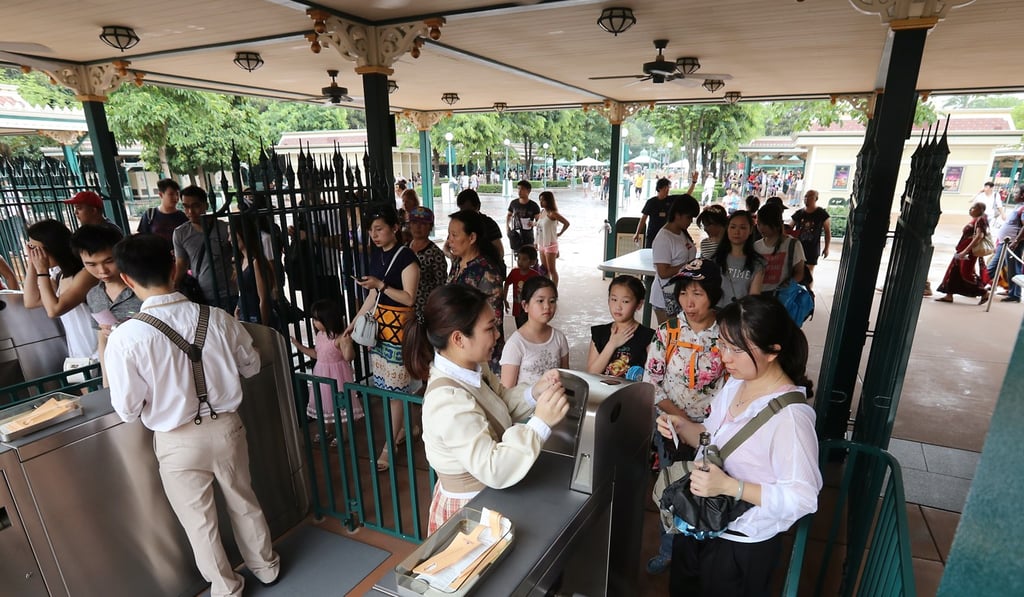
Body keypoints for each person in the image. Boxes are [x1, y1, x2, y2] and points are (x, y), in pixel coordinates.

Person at [105, 234, 280, 597]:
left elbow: (127, 410)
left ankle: (226, 588)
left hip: (176, 440)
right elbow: (250, 365)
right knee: (243, 500)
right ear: (174, 266)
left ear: (126, 279)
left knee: (199, 523)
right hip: (227, 427)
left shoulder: (127, 336)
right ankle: (266, 567)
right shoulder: (215, 317)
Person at [657, 295, 822, 596]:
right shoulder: (735, 383)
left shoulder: (790, 418)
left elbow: (803, 498)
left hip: (740, 545)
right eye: (722, 344)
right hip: (698, 525)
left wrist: (732, 487)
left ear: (773, 351)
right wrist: (682, 426)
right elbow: (711, 438)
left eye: (736, 349)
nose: (725, 357)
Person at [402, 284, 569, 535]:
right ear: (459, 338)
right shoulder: (447, 401)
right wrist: (540, 424)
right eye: (490, 328)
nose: (498, 335)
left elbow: (498, 404)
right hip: (470, 509)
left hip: (490, 497)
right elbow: (493, 467)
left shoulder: (473, 367)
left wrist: (535, 391)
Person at [643, 258, 728, 575]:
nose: (688, 303)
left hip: (714, 434)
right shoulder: (667, 333)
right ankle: (669, 550)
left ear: (713, 295)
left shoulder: (727, 336)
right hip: (672, 431)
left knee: (708, 491)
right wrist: (682, 421)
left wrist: (705, 427)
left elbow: (733, 386)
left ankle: (704, 552)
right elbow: (652, 384)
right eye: (683, 294)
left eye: (698, 294)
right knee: (670, 491)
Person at [344, 210, 420, 471]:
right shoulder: (377, 255)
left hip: (398, 331)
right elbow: (372, 297)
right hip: (380, 331)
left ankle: (390, 444)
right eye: (371, 230)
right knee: (389, 389)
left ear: (395, 228)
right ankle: (406, 428)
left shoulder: (407, 258)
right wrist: (353, 324)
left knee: (394, 392)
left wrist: (382, 285)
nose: (374, 235)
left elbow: (410, 298)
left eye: (379, 229)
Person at [70, 224, 141, 385]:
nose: (102, 270)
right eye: (91, 264)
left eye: (109, 261)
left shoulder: (143, 288)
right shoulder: (94, 295)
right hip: (121, 375)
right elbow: (102, 339)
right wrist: (106, 382)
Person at [23, 219, 98, 360]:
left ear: (53, 247)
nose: (34, 253)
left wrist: (42, 270)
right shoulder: (59, 276)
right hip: (80, 356)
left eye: (36, 249)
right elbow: (31, 301)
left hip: (98, 353)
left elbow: (54, 310)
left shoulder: (86, 274)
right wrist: (32, 263)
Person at [291, 299, 358, 447]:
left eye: (316, 319)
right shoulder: (321, 335)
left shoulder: (340, 337)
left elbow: (349, 357)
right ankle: (327, 429)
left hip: (337, 374)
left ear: (327, 320)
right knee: (324, 402)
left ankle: (344, 433)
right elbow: (317, 354)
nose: (314, 322)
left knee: (340, 404)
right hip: (321, 372)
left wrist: (348, 345)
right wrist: (299, 346)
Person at [448, 210, 506, 373]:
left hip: (480, 355)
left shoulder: (487, 272)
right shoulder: (457, 264)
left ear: (472, 238)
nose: (449, 240)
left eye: (454, 235)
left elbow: (494, 321)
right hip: (457, 348)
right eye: (449, 235)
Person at [173, 185, 237, 312]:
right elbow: (181, 265)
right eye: (186, 206)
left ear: (205, 205)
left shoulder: (225, 229)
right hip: (199, 296)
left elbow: (241, 254)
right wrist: (174, 288)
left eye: (195, 206)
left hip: (228, 294)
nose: (190, 211)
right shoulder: (180, 233)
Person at [499, 277, 569, 388]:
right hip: (526, 405)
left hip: (554, 402)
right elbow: (507, 391)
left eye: (552, 301)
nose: (547, 306)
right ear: (525, 306)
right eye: (540, 301)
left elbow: (565, 379)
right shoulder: (516, 344)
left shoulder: (559, 338)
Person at [587, 275, 655, 377]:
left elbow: (652, 377)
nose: (618, 307)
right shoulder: (600, 333)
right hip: (603, 392)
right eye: (614, 299)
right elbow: (591, 373)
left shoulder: (648, 337)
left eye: (625, 301)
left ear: (639, 304)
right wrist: (612, 344)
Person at [651, 195, 701, 324]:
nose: (690, 221)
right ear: (677, 215)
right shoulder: (664, 238)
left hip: (681, 292)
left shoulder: (682, 232)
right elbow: (663, 272)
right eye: (689, 217)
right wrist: (688, 266)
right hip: (665, 296)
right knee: (670, 337)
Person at [935, 202, 991, 304]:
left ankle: (983, 292)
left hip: (968, 253)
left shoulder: (980, 220)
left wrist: (966, 251)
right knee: (953, 271)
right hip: (962, 251)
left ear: (980, 209)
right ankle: (949, 295)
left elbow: (979, 236)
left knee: (966, 273)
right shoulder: (976, 220)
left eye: (973, 208)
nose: (970, 209)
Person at [713, 210, 765, 307]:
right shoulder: (715, 260)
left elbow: (754, 297)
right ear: (727, 229)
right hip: (715, 314)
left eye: (743, 227)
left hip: (740, 316)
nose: (737, 232)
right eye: (732, 227)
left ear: (750, 230)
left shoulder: (758, 263)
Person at [231, 215, 275, 327]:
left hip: (256, 319)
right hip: (245, 317)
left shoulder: (256, 262)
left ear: (242, 234)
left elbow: (264, 299)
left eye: (232, 234)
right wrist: (238, 309)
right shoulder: (242, 260)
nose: (229, 239)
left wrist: (262, 327)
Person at [634, 174, 698, 249]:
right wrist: (637, 233)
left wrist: (693, 182)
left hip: (668, 233)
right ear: (659, 189)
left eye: (668, 188)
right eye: (665, 188)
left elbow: (687, 196)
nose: (667, 190)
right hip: (653, 234)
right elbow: (643, 219)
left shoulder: (671, 199)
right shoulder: (651, 202)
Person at [406, 206, 448, 320]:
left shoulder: (436, 254)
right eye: (414, 222)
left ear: (430, 227)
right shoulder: (404, 249)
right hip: (405, 309)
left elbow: (441, 285)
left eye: (423, 224)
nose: (418, 227)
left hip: (426, 310)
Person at [755, 203, 805, 296]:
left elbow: (799, 273)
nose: (760, 227)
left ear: (776, 224)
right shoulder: (756, 246)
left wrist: (785, 288)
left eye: (765, 224)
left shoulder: (793, 245)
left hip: (782, 296)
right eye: (758, 223)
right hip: (759, 296)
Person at [986, 187, 1024, 303]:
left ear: (1022, 195)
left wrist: (1016, 241)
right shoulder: (1017, 207)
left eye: (1016, 192)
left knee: (1013, 268)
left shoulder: (1023, 208)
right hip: (1004, 243)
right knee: (994, 265)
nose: (1013, 195)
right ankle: (980, 285)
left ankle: (1015, 295)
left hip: (1012, 244)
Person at [456, 189, 504, 268]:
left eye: (468, 211)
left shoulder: (489, 224)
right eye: (461, 210)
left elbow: (500, 252)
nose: (464, 214)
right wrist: (452, 256)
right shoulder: (459, 223)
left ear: (478, 206)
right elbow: (446, 247)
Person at [790, 189, 831, 279]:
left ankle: (808, 291)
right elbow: (789, 228)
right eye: (805, 196)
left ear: (816, 199)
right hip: (798, 248)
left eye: (810, 196)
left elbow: (827, 231)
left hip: (812, 249)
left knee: (809, 273)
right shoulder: (799, 213)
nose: (806, 199)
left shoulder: (822, 214)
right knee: (795, 272)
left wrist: (826, 248)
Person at [533, 191, 571, 287]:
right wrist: (536, 241)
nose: (541, 203)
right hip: (542, 244)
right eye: (540, 200)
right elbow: (539, 225)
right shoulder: (543, 212)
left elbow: (566, 223)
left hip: (551, 244)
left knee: (552, 270)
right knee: (545, 269)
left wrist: (560, 233)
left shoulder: (553, 213)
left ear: (548, 201)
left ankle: (554, 291)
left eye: (543, 200)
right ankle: (547, 289)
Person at [503, 245, 542, 328]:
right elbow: (506, 284)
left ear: (533, 262)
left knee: (531, 329)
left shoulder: (535, 275)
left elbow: (541, 292)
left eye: (524, 259)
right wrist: (505, 299)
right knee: (520, 329)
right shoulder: (514, 273)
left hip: (531, 309)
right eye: (519, 258)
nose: (520, 262)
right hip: (517, 309)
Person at [506, 180, 541, 253]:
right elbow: (509, 215)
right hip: (516, 236)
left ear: (528, 191)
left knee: (529, 257)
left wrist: (534, 223)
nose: (519, 191)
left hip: (528, 236)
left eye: (522, 189)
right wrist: (507, 226)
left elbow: (540, 222)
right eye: (518, 189)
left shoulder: (534, 205)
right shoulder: (513, 203)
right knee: (518, 257)